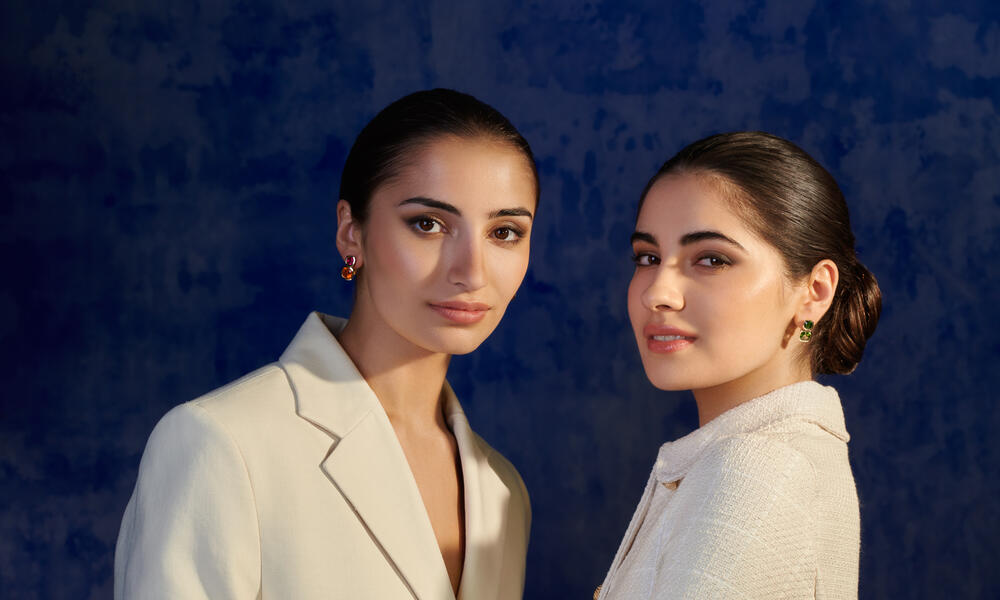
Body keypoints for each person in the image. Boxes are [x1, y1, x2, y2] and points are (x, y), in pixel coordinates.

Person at [114, 88, 538, 600]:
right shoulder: (221, 445)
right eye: (428, 224)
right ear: (350, 232)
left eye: (505, 232)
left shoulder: (501, 491)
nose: (471, 271)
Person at [596, 131, 881, 599]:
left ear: (814, 292)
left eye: (711, 259)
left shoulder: (754, 470)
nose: (656, 293)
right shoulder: (772, 456)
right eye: (648, 257)